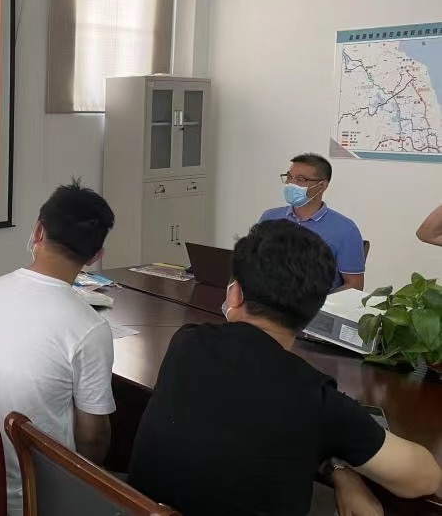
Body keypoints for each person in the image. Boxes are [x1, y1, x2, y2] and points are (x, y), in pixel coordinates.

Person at [127, 220, 442, 516]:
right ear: (315, 310)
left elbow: (247, 425)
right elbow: (424, 479)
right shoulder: (314, 398)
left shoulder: (187, 344)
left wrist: (338, 469)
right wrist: (344, 467)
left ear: (234, 293)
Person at [0, 180, 116, 516]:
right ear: (95, 256)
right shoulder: (90, 328)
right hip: (33, 498)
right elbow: (92, 439)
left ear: (38, 231)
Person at [259, 153, 365, 291]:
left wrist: (318, 301)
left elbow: (354, 285)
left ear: (322, 186)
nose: (291, 184)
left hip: (317, 302)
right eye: (289, 177)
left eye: (300, 179)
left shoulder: (345, 230)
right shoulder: (270, 217)